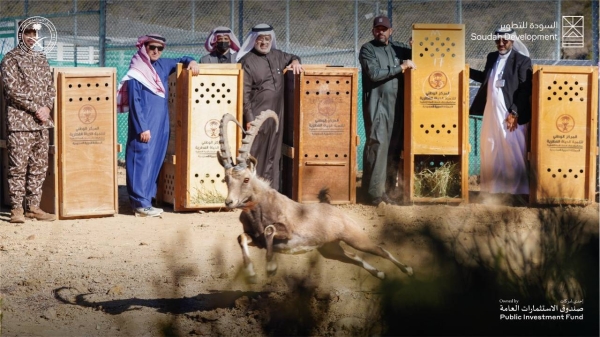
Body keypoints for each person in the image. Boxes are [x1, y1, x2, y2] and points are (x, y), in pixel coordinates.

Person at [116, 34, 199, 217]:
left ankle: (147, 200)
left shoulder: (163, 65)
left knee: (155, 160)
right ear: (144, 47)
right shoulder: (137, 71)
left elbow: (182, 60)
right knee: (141, 159)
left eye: (160, 48)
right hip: (145, 125)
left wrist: (192, 61)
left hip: (161, 123)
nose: (155, 51)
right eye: (152, 47)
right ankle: (139, 203)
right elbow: (135, 102)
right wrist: (142, 127)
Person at [1, 20, 57, 223]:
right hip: (20, 123)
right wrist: (36, 109)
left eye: (35, 33)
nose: (32, 37)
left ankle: (33, 207)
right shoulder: (11, 59)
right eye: (28, 32)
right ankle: (17, 209)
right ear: (20, 34)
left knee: (38, 166)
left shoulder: (41, 58)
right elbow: (12, 90)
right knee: (18, 167)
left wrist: (48, 108)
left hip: (41, 123)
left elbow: (51, 88)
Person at [237, 24, 303, 191]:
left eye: (267, 39)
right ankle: (252, 192)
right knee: (256, 154)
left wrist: (295, 61)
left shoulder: (278, 56)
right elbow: (244, 95)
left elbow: (293, 56)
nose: (264, 42)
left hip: (277, 115)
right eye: (260, 39)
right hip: (258, 116)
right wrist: (250, 119)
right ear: (254, 40)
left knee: (273, 154)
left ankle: (270, 191)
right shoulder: (247, 62)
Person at [359, 16, 416, 206]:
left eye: (384, 29)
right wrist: (401, 67)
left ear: (391, 31)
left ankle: (389, 191)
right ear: (373, 31)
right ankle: (374, 194)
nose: (381, 32)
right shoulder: (368, 49)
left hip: (398, 107)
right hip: (378, 106)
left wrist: (416, 46)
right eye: (377, 29)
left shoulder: (398, 48)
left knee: (394, 147)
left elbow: (419, 56)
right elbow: (374, 74)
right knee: (378, 145)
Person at [469, 27, 532, 195]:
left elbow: (525, 90)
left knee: (512, 148)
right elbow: (485, 77)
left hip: (510, 114)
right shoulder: (492, 57)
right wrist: (465, 69)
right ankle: (493, 190)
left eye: (505, 40)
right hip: (491, 112)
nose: (501, 43)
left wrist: (514, 113)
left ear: (512, 41)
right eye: (498, 40)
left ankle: (518, 192)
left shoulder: (522, 60)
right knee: (490, 146)